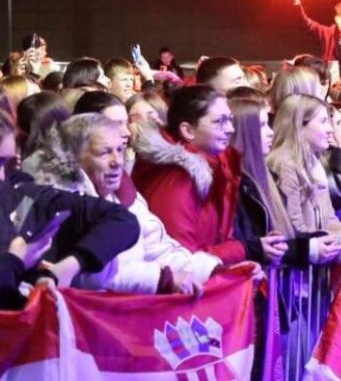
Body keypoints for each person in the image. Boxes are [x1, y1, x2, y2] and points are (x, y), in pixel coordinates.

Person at [37, 114, 220, 295]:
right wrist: (162, 279)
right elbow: (88, 275)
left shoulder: (125, 194)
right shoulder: (60, 203)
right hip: (89, 317)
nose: (117, 162)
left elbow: (159, 251)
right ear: (74, 159)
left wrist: (212, 271)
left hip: (129, 313)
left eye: (119, 150)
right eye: (105, 152)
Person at [0, 110, 140, 307]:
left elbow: (123, 221)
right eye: (105, 152)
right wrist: (16, 262)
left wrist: (59, 270)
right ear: (74, 156)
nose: (3, 176)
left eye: (7, 163)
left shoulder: (25, 195)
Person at [132, 85, 247, 266]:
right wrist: (243, 251)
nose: (231, 129)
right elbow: (181, 257)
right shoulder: (176, 178)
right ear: (188, 131)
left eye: (230, 120)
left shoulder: (215, 165)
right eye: (220, 121)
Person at [267, 94, 341, 234]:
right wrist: (327, 242)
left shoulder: (315, 163)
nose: (330, 129)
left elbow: (329, 220)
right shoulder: (284, 165)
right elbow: (294, 227)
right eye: (323, 121)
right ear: (299, 124)